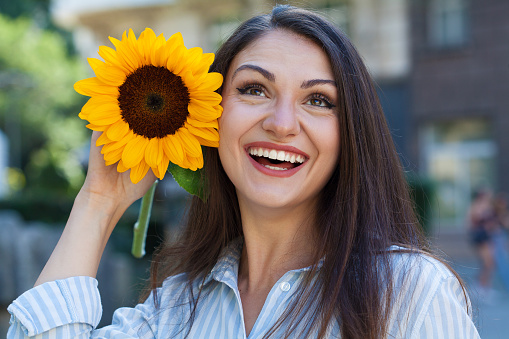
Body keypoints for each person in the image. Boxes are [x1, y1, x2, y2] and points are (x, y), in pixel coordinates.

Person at [7, 5, 480, 338]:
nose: (281, 124)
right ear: (211, 118)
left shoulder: (410, 292)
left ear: (351, 134)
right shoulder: (176, 307)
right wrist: (99, 201)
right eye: (254, 89)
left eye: (318, 100)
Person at [468, 188, 497, 296]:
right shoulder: (476, 207)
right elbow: (474, 221)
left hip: (488, 237)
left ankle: (485, 286)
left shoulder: (488, 206)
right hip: (481, 237)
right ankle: (480, 286)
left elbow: (493, 223)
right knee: (487, 262)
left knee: (490, 263)